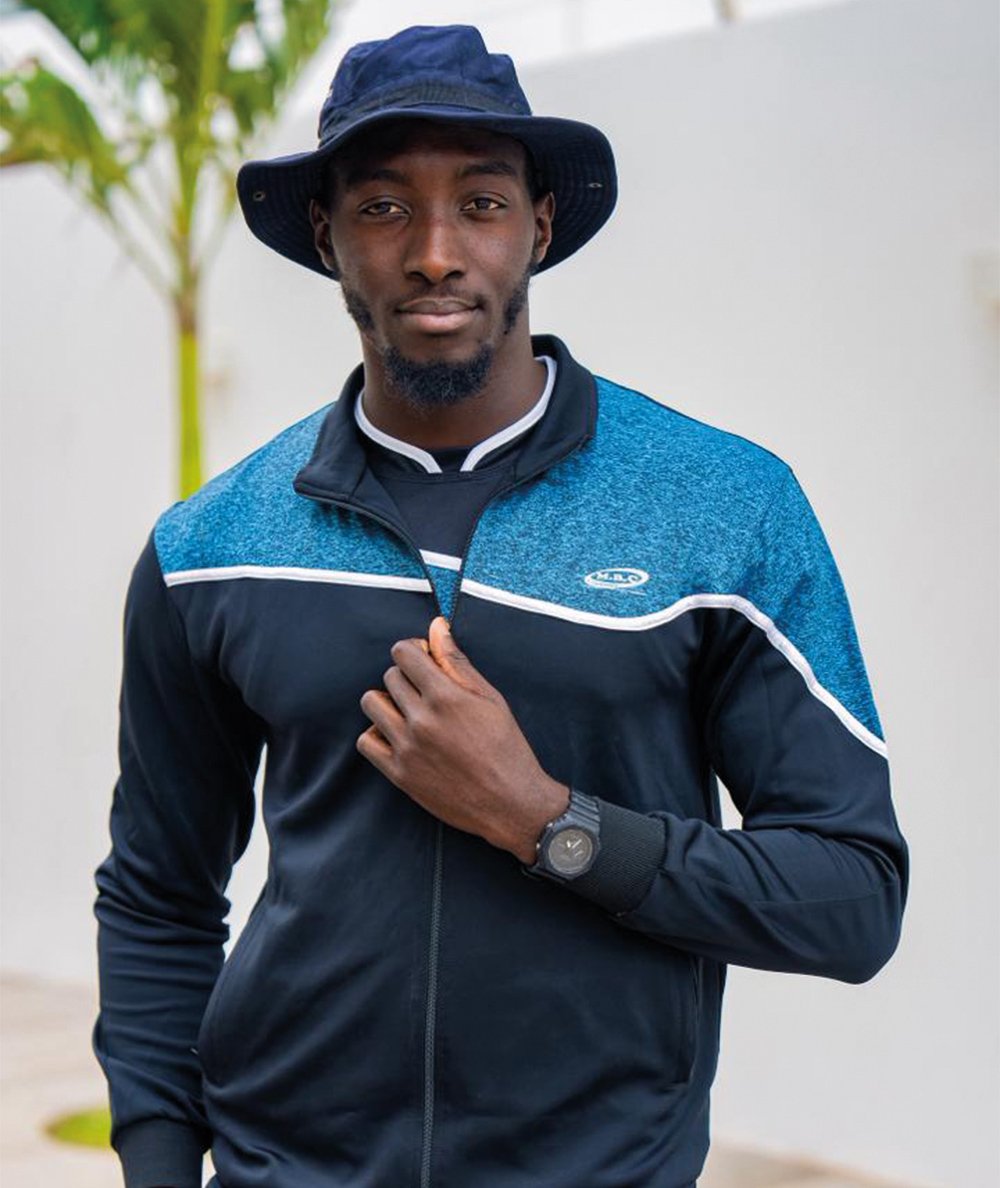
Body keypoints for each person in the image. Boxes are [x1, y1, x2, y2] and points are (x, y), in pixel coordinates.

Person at [93, 24, 908, 1188]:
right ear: (325, 236)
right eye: (383, 207)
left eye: (479, 203)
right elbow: (159, 899)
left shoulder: (722, 509)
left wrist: (547, 822)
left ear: (538, 226)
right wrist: (160, 1164)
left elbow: (850, 898)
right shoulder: (209, 548)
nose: (434, 253)